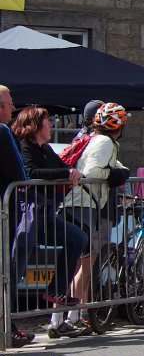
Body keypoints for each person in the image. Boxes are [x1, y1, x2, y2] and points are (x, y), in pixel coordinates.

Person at [13, 107, 89, 338]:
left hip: (44, 213)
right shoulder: (25, 146)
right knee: (17, 266)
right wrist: (66, 174)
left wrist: (71, 172)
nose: (52, 125)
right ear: (35, 125)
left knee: (78, 237)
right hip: (28, 214)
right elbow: (31, 171)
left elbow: (62, 167)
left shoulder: (45, 148)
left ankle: (56, 291)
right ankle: (9, 321)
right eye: (48, 121)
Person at [60, 102, 130, 333]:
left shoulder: (97, 139)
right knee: (85, 262)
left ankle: (63, 318)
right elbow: (92, 172)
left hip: (80, 202)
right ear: (118, 127)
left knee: (77, 263)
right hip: (84, 203)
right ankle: (72, 316)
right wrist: (116, 174)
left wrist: (120, 170)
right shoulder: (106, 142)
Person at [0, 86, 36, 346]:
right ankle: (7, 328)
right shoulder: (2, 132)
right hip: (3, 211)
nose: (13, 108)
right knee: (3, 272)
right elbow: (19, 174)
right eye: (8, 103)